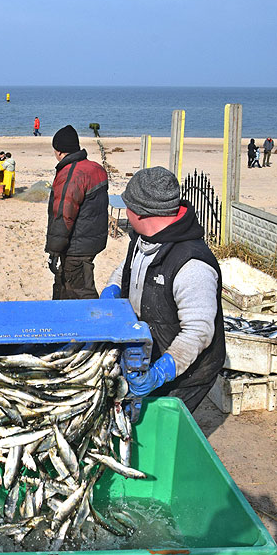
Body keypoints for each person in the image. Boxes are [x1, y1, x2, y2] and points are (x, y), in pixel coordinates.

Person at [100, 166, 225, 415]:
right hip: (149, 348)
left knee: (162, 434)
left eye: (128, 206)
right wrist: (113, 288)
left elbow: (198, 333)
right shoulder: (145, 236)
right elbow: (128, 266)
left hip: (185, 371)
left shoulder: (192, 266)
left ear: (142, 213)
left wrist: (160, 373)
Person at [46, 125, 108, 300]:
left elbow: (64, 214)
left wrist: (54, 250)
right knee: (64, 285)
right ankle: (61, 321)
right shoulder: (95, 168)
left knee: (80, 291)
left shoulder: (71, 174)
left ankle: (91, 325)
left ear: (58, 151)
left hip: (76, 246)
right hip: (92, 240)